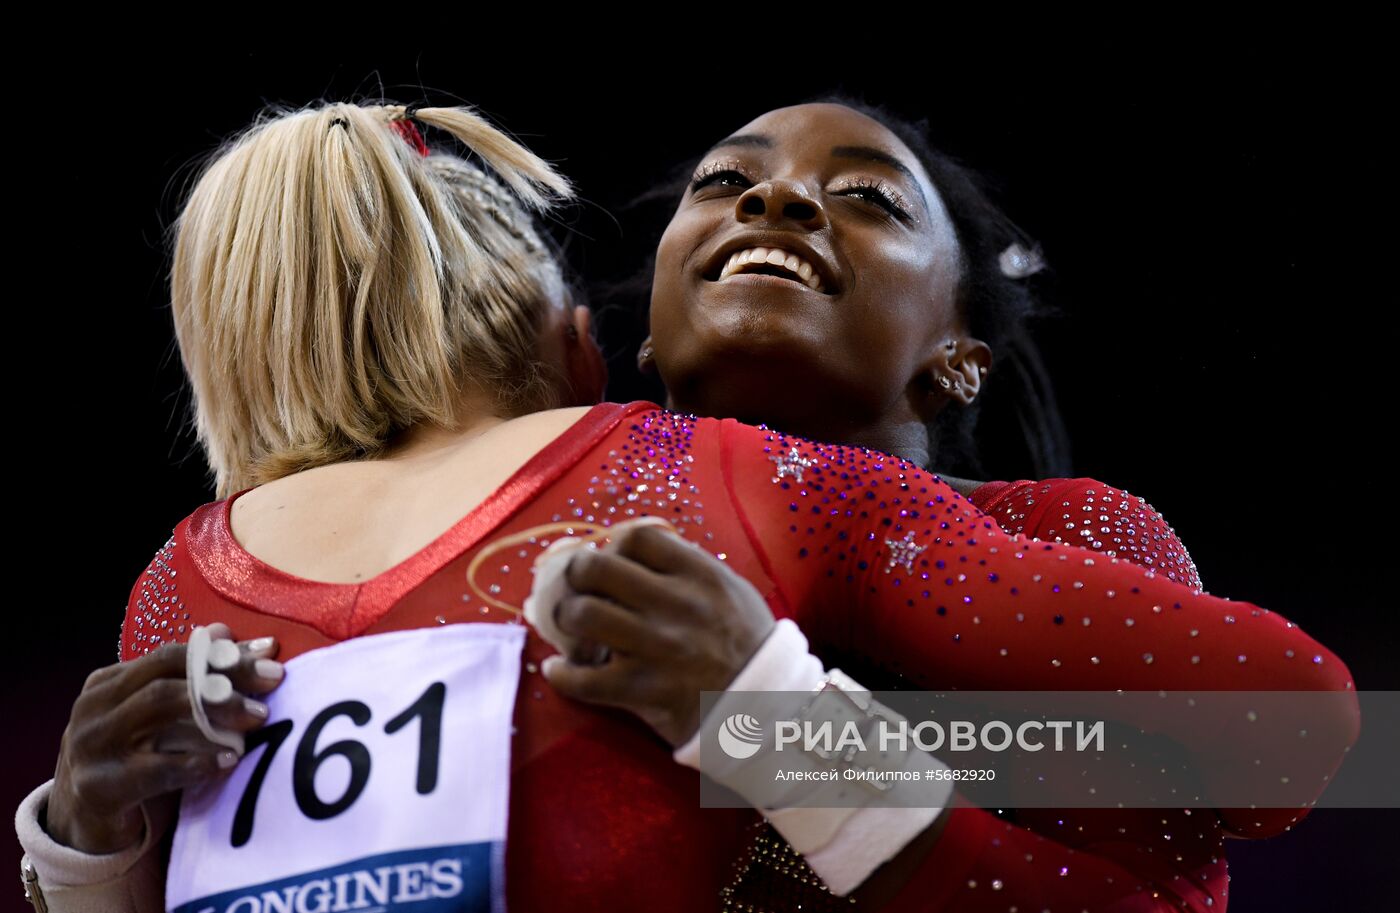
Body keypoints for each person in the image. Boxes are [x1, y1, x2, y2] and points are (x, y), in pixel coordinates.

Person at [15, 98, 1355, 913]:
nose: (774, 195)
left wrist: (785, 725)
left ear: (957, 351)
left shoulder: (1064, 535)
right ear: (612, 346)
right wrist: (87, 853)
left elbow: (1318, 746)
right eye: (724, 183)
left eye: (869, 198)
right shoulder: (631, 506)